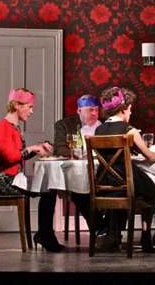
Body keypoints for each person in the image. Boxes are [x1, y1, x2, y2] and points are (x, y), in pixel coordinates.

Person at [93, 86, 155, 252]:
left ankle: (123, 234)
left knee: (149, 182)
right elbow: (150, 156)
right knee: (154, 183)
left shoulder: (98, 130)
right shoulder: (129, 130)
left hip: (105, 182)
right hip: (126, 180)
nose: (130, 112)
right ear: (123, 109)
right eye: (130, 109)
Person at [0, 87, 65, 252]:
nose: (31, 112)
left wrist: (36, 148)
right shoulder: (4, 127)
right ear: (17, 105)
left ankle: (44, 234)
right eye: (29, 107)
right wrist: (31, 148)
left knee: (49, 188)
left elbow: (18, 156)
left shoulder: (14, 127)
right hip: (1, 181)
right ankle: (45, 236)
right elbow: (10, 157)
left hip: (11, 178)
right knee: (48, 190)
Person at [53, 94, 105, 234]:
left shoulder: (104, 126)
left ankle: (109, 230)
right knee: (78, 190)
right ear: (79, 110)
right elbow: (59, 149)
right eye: (90, 110)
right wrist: (79, 153)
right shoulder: (64, 125)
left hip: (102, 173)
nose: (94, 114)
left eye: (96, 110)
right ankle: (101, 227)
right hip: (77, 173)